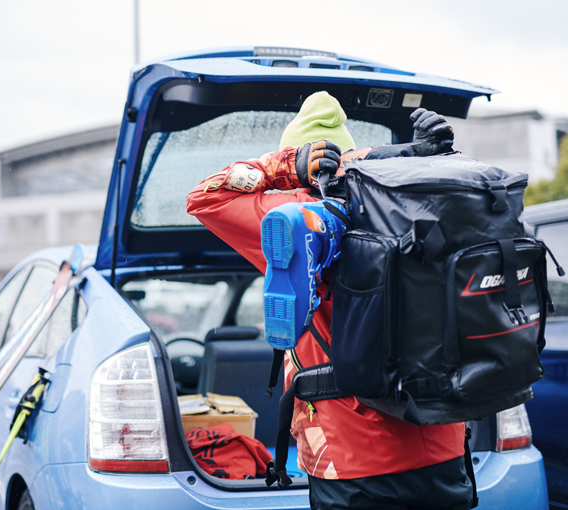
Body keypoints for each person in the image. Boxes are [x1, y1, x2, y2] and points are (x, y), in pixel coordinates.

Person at [186, 91, 473, 510]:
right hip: (446, 447)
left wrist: (283, 165)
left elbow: (205, 196)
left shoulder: (295, 214)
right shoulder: (411, 207)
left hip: (354, 462)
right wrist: (401, 154)